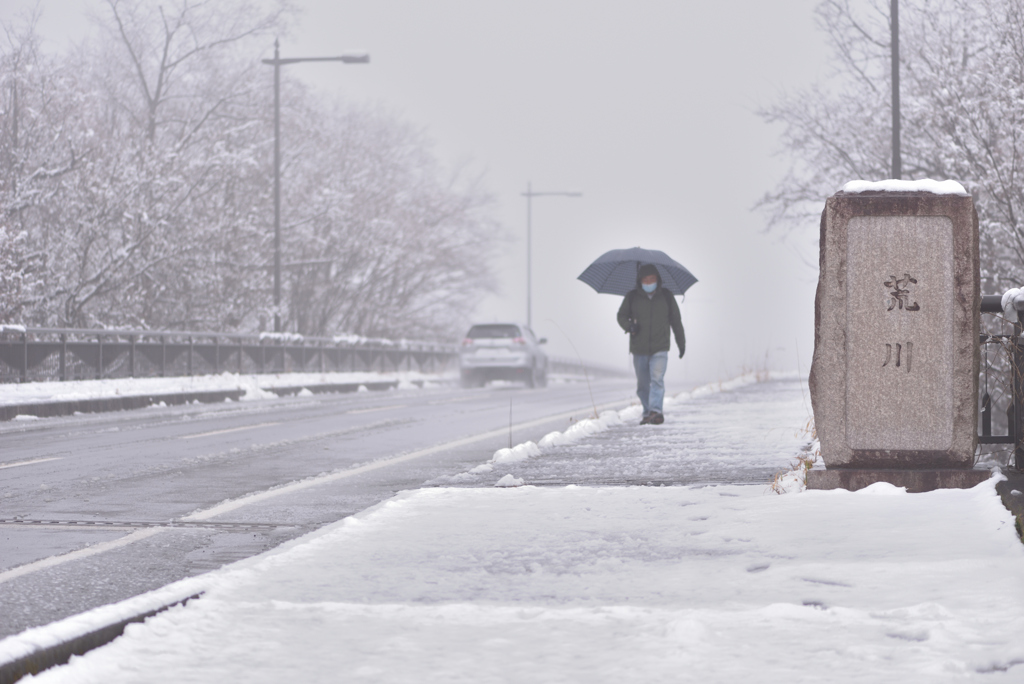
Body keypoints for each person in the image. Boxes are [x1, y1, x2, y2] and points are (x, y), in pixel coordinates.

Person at [616, 263, 685, 425]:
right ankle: (647, 412)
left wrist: (681, 344)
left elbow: (676, 322)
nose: (649, 282)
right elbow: (621, 316)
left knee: (657, 379)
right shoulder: (632, 297)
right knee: (642, 384)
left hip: (660, 347)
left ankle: (656, 411)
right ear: (640, 281)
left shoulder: (667, 297)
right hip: (639, 348)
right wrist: (629, 326)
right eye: (645, 279)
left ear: (658, 279)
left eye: (652, 279)